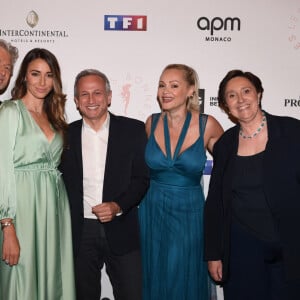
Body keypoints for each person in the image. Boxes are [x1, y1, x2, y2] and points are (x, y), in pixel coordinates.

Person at [204, 69, 300, 300]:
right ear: (226, 106)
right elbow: (216, 200)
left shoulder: (292, 131)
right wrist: (214, 253)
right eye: (232, 95)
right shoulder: (226, 143)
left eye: (246, 91)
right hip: (242, 247)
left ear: (258, 94)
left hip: (290, 243)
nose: (241, 99)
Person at [59, 69, 149, 300]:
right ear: (77, 102)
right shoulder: (63, 136)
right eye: (85, 95)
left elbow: (142, 179)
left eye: (97, 93)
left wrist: (118, 206)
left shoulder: (134, 130)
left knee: (132, 294)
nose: (91, 100)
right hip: (80, 232)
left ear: (109, 97)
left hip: (122, 227)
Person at [138, 63, 224, 299]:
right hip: (152, 211)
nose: (165, 91)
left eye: (174, 85)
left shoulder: (208, 125)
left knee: (182, 276)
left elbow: (232, 169)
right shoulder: (150, 123)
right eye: (162, 85)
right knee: (155, 274)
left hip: (189, 214)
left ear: (190, 90)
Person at [0, 48, 75, 299]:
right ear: (24, 77)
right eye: (35, 74)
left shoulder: (54, 117)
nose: (42, 82)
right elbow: (3, 169)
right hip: (21, 208)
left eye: (49, 75)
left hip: (52, 207)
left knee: (52, 277)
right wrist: (7, 225)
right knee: (21, 278)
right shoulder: (10, 111)